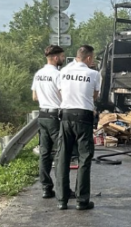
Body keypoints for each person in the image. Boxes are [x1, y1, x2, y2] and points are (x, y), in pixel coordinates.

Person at [56, 45, 101, 210]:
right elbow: (94, 96)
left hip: (66, 116)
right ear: (88, 58)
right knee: (84, 158)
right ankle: (82, 200)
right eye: (93, 58)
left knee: (63, 157)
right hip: (84, 117)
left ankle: (62, 199)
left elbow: (60, 93)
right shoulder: (94, 74)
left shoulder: (63, 72)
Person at [31, 45, 65, 199]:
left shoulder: (38, 74)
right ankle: (61, 189)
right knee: (60, 153)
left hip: (42, 115)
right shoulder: (58, 75)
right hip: (55, 117)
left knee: (44, 153)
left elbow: (35, 97)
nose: (63, 59)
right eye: (62, 56)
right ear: (56, 57)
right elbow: (64, 95)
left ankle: (46, 188)